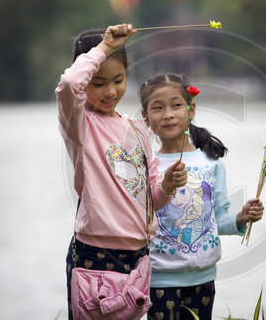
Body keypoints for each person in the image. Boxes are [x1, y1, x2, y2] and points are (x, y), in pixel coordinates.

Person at [55, 24, 188, 319]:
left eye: (118, 79)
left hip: (137, 259)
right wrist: (103, 48)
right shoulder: (81, 125)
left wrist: (167, 184)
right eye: (98, 82)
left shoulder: (137, 129)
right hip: (94, 255)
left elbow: (151, 199)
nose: (111, 91)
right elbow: (68, 84)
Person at [139, 73, 264, 320]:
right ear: (145, 118)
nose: (168, 114)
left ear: (191, 110)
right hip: (159, 278)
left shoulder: (211, 163)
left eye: (176, 105)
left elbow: (218, 219)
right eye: (158, 108)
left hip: (204, 278)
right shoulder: (146, 165)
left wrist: (240, 218)